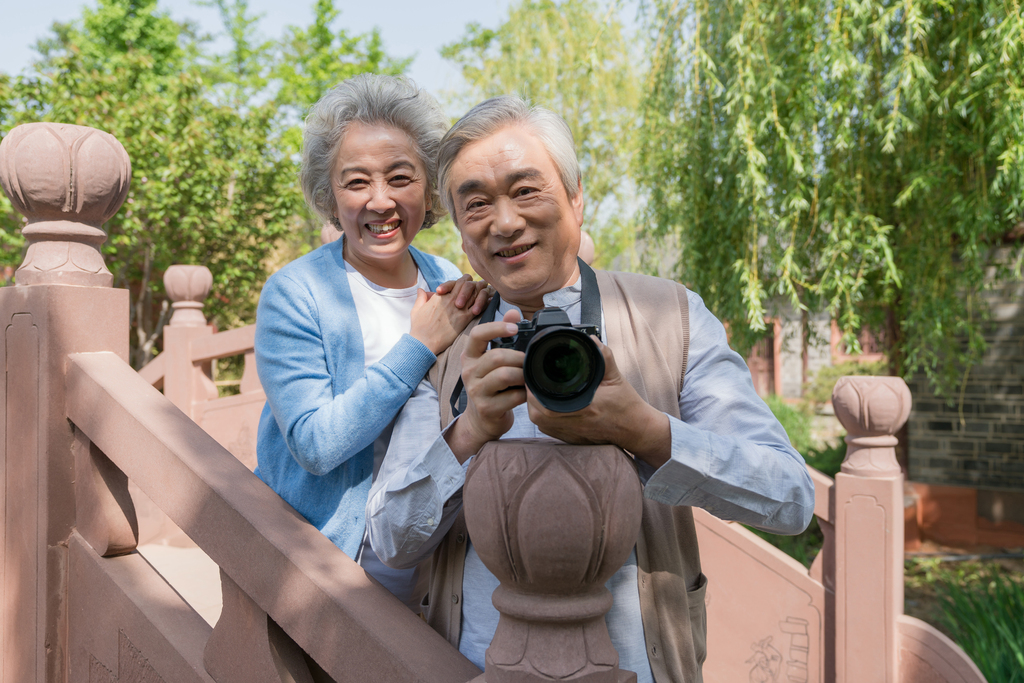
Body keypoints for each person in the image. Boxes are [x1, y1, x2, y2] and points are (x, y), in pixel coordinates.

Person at [366, 96, 815, 682]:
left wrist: (645, 432)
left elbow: (790, 498)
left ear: (577, 197)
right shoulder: (449, 346)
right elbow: (392, 542)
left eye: (526, 190)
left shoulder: (670, 317)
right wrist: (467, 432)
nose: (503, 221)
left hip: (641, 666)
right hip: (475, 664)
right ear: (461, 235)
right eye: (476, 204)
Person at [253, 75, 488, 612]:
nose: (380, 201)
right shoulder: (297, 293)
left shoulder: (448, 278)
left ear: (428, 190)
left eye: (400, 178)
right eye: (356, 182)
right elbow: (315, 445)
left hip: (438, 563)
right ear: (329, 196)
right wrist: (417, 348)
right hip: (335, 570)